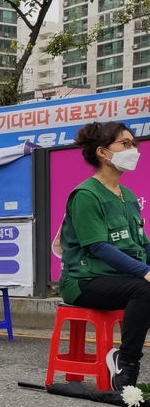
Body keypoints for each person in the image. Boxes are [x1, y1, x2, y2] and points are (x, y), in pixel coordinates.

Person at [59, 121, 150, 390]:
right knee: (144, 290)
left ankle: (125, 359)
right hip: (83, 281)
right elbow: (97, 246)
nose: (132, 149)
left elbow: (143, 245)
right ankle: (126, 364)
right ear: (102, 152)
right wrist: (144, 271)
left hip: (116, 280)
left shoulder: (128, 196)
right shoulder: (86, 194)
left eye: (134, 144)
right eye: (125, 143)